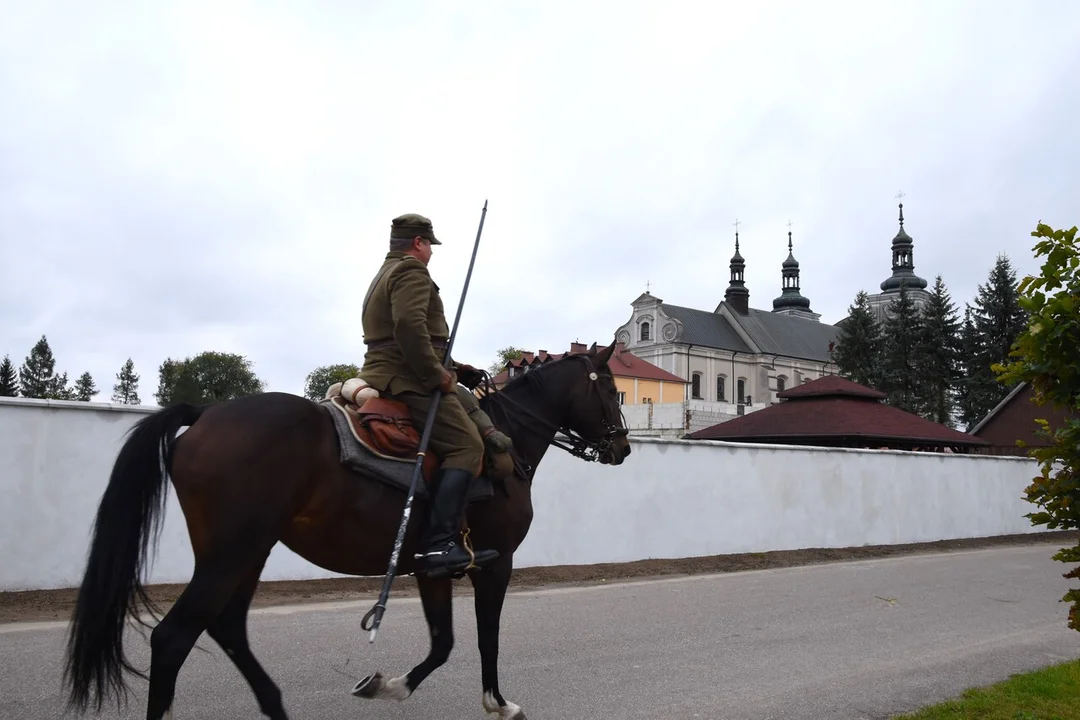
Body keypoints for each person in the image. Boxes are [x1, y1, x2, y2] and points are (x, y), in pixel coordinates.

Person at [357, 212, 503, 579]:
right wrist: (435, 374)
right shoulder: (412, 271)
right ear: (418, 242)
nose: (431, 253)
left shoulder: (383, 272)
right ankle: (438, 544)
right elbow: (409, 327)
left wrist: (455, 366)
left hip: (386, 368)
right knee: (468, 446)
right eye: (430, 246)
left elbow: (406, 333)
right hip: (407, 377)